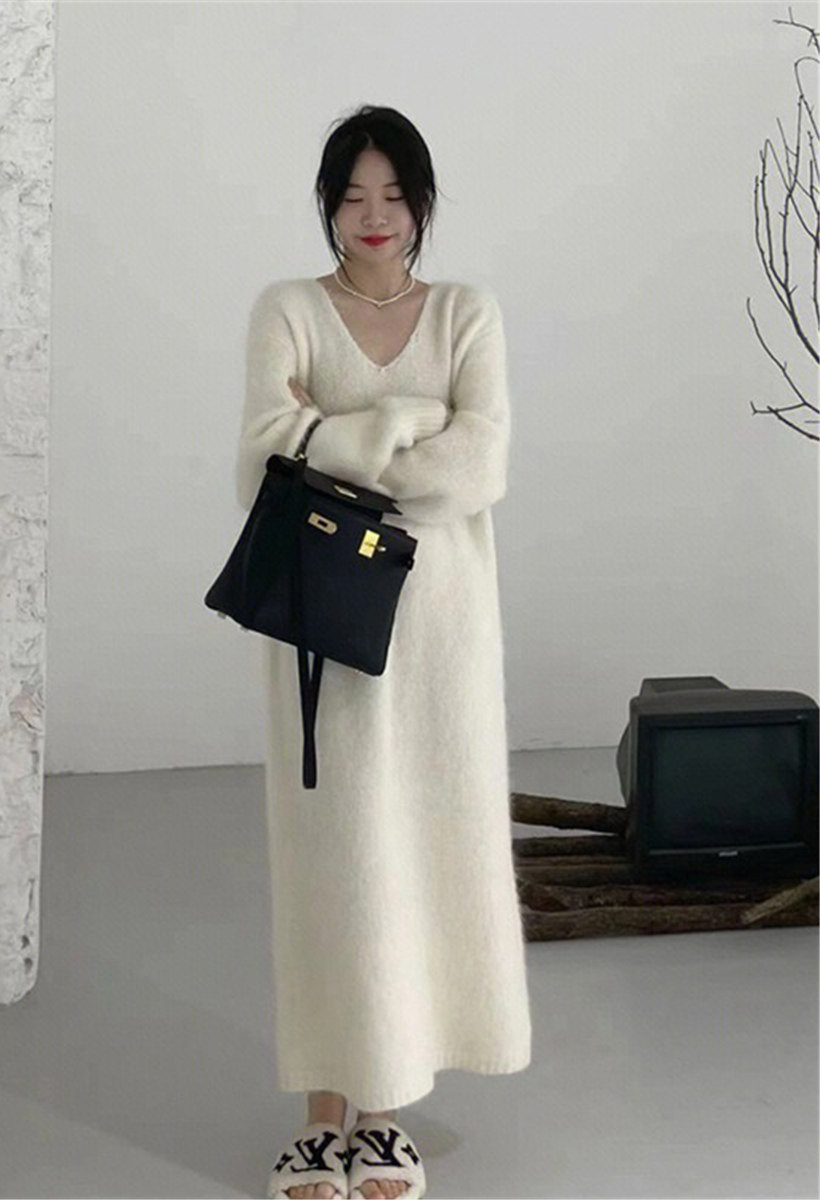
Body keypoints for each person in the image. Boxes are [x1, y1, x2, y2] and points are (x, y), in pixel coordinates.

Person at [235, 105, 532, 1200]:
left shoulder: (465, 313)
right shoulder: (288, 310)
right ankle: (323, 1113)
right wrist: (406, 423)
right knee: (332, 862)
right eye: (354, 196)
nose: (375, 217)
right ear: (328, 202)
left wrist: (333, 438)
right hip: (323, 631)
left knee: (420, 851)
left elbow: (480, 466)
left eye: (395, 196)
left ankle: (386, 1113)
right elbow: (260, 463)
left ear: (422, 204)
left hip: (442, 636)